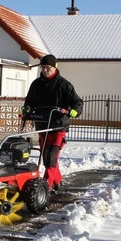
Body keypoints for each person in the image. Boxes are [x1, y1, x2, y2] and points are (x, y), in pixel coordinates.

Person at [22, 54, 83, 194]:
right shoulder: (36, 84)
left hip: (59, 125)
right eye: (42, 67)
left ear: (55, 67)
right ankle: (57, 181)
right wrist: (27, 109)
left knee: (52, 156)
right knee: (46, 156)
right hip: (43, 124)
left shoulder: (64, 85)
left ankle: (45, 187)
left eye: (47, 67)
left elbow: (77, 102)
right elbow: (29, 101)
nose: (44, 70)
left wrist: (74, 111)